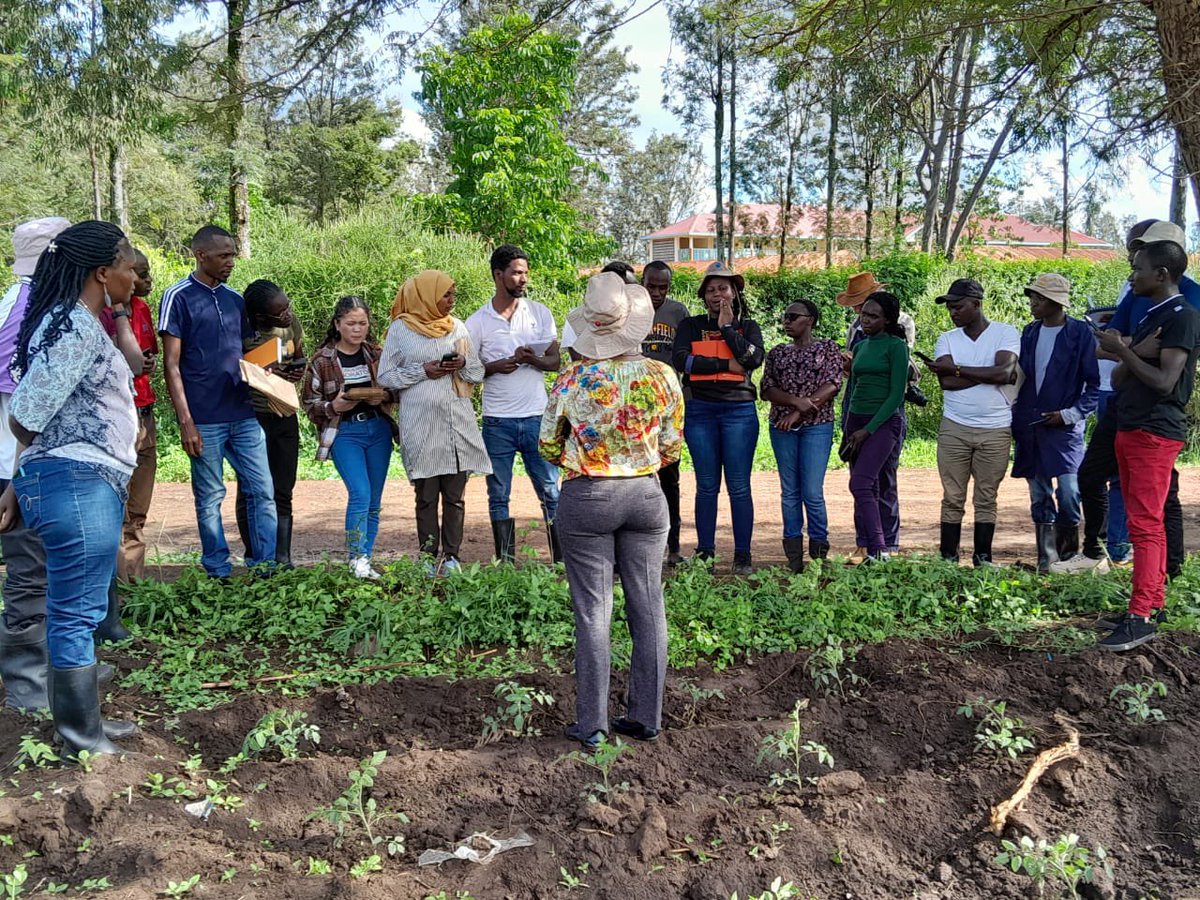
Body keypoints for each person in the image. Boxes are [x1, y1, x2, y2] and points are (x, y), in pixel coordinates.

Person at [0, 220, 140, 756]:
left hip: (78, 478)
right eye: (127, 265)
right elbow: (28, 410)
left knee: (72, 609)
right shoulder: (74, 327)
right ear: (102, 272)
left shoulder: (71, 320)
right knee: (76, 611)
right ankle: (81, 737)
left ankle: (82, 727)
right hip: (77, 481)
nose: (133, 275)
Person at [540, 272, 684, 748]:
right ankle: (646, 717)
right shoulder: (662, 375)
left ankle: (593, 724)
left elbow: (547, 445)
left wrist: (587, 461)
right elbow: (671, 447)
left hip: (588, 496)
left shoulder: (573, 378)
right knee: (648, 606)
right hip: (646, 495)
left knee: (593, 611)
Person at [1053, 219, 1200, 575]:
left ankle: (1167, 572)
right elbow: (1112, 346)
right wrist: (1130, 348)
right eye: (1135, 247)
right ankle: (1101, 552)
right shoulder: (1136, 289)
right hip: (1123, 399)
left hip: (1158, 412)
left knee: (1160, 498)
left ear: (1165, 264)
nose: (1134, 255)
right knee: (1097, 477)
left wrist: (1125, 348)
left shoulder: (1188, 299)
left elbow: (1170, 356)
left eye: (1141, 249)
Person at [1093, 241, 1200, 651]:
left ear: (1163, 274)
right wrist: (1132, 352)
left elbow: (1163, 382)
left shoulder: (1183, 317)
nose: (1131, 275)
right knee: (1143, 521)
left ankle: (1140, 618)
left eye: (1138, 268)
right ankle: (1149, 606)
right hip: (1131, 424)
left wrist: (1123, 350)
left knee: (1146, 524)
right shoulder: (1151, 317)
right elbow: (1119, 378)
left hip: (1155, 430)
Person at [159, 225, 277, 578]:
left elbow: (245, 354)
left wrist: (273, 364)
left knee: (262, 490)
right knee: (211, 497)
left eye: (233, 255)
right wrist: (186, 421)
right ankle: (217, 569)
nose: (231, 262)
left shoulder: (235, 299)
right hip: (204, 419)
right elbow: (171, 364)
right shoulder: (177, 296)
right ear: (201, 255)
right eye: (224, 255)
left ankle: (265, 566)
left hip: (243, 413)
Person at [0, 217, 74, 711]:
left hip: (22, 459)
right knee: (28, 571)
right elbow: (18, 386)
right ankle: (25, 683)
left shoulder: (19, 299)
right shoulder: (26, 307)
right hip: (14, 463)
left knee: (42, 566)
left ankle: (45, 665)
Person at [379, 271, 491, 574]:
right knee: (426, 496)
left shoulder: (458, 328)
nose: (452, 301)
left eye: (453, 294)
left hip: (456, 423)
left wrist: (463, 363)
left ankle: (452, 557)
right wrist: (422, 371)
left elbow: (478, 373)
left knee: (455, 497)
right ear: (426, 296)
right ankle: (428, 558)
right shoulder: (400, 330)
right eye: (446, 295)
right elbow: (385, 376)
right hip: (421, 426)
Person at [466, 244, 562, 563]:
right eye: (516, 272)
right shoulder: (477, 322)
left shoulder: (539, 313)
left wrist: (533, 359)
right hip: (497, 422)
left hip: (537, 416)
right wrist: (494, 367)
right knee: (498, 495)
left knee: (551, 490)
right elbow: (468, 371)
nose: (523, 278)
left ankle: (562, 561)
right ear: (498, 275)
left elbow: (555, 361)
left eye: (525, 272)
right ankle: (506, 563)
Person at [671, 261, 764, 574]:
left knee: (739, 487)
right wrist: (727, 366)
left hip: (739, 412)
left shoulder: (747, 327)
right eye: (710, 289)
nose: (717, 294)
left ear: (735, 291)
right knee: (706, 486)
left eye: (723, 287)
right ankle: (706, 553)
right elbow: (682, 360)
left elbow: (753, 358)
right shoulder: (690, 326)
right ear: (703, 295)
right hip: (700, 411)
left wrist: (726, 328)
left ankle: (742, 556)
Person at [924, 278, 1019, 566]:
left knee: (986, 497)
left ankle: (983, 559)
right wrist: (985, 373)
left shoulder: (1005, 332)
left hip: (996, 428)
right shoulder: (947, 338)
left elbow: (1004, 373)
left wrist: (956, 368)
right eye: (950, 308)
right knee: (952, 496)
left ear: (977, 304)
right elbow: (947, 383)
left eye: (958, 306)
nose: (953, 312)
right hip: (955, 426)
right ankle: (948, 558)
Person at [302, 296, 398, 579]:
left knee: (374, 499)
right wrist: (334, 406)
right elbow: (309, 403)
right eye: (351, 323)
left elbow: (396, 389)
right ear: (337, 324)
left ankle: (366, 558)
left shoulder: (377, 354)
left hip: (378, 428)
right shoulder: (322, 359)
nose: (357, 329)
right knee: (360, 492)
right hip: (344, 431)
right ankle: (356, 558)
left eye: (363, 323)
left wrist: (383, 395)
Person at [1010, 274, 1099, 573]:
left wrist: (1069, 414)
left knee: (1070, 491)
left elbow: (1094, 385)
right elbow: (1022, 375)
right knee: (1039, 492)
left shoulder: (1080, 334)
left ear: (1055, 303)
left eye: (1039, 298)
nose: (1033, 303)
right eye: (1032, 297)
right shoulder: (1030, 332)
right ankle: (1047, 559)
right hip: (1030, 424)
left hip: (1064, 430)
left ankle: (1069, 555)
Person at [93, 248, 157, 643]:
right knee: (111, 515)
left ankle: (133, 587)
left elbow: (140, 359)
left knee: (137, 511)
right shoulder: (98, 313)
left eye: (144, 274)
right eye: (137, 273)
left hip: (144, 410)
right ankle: (110, 602)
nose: (143, 281)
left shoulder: (144, 310)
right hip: (117, 417)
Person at [837, 272, 919, 557]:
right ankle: (867, 545)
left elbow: (897, 391)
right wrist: (848, 428)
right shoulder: (858, 338)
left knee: (880, 480)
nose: (863, 318)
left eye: (871, 314)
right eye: (861, 311)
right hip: (856, 415)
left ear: (887, 318)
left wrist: (867, 430)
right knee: (862, 483)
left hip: (883, 418)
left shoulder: (899, 336)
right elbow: (854, 382)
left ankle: (885, 546)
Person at [761, 298, 844, 573]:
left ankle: (819, 552)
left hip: (816, 426)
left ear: (810, 319)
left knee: (812, 491)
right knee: (790, 492)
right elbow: (766, 389)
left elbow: (833, 384)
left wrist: (796, 412)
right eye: (785, 316)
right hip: (782, 428)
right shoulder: (777, 353)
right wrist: (797, 402)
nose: (787, 321)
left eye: (793, 316)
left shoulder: (828, 348)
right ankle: (794, 557)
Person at [235, 280, 304, 568]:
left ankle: (282, 557)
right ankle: (255, 555)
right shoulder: (240, 329)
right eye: (280, 313)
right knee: (252, 488)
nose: (287, 314)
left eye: (288, 307)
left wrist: (297, 368)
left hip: (284, 413)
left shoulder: (291, 324)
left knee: (283, 487)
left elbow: (299, 354)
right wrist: (258, 371)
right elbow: (233, 369)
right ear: (261, 318)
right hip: (253, 416)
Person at [639, 261, 691, 565]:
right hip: (634, 408)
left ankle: (673, 547)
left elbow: (685, 355)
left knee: (669, 476)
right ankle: (642, 547)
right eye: (652, 286)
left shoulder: (677, 312)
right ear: (642, 282)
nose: (657, 292)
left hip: (669, 407)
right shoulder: (630, 308)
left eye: (663, 287)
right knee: (639, 478)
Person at [1086, 306, 1131, 565]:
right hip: (1106, 391)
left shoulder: (1146, 292)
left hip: (1123, 392)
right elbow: (1100, 349)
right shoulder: (1133, 287)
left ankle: (1117, 546)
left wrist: (1120, 348)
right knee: (1110, 475)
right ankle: (1113, 546)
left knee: (1120, 476)